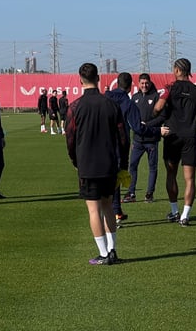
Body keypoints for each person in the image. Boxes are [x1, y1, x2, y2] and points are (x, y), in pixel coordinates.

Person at [65, 63, 129, 265]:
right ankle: (112, 250)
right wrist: (123, 163)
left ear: (80, 80)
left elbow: (70, 139)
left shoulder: (75, 107)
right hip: (109, 163)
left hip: (87, 164)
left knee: (94, 210)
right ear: (98, 78)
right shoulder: (111, 105)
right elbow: (123, 137)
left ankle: (103, 253)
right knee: (108, 206)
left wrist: (75, 160)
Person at [153, 58, 196, 226]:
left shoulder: (170, 88)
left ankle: (174, 211)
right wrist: (195, 126)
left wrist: (155, 117)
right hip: (190, 137)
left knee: (171, 174)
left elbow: (158, 108)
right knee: (190, 179)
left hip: (172, 136)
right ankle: (185, 215)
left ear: (177, 70)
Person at [106, 73, 168, 225]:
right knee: (118, 176)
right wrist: (157, 131)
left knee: (107, 179)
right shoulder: (129, 102)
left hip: (102, 144)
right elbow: (137, 127)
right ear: (131, 86)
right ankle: (115, 212)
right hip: (120, 145)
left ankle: (115, 211)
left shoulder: (105, 97)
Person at [122, 73, 165, 203]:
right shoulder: (134, 97)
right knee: (132, 166)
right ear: (138, 84)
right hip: (137, 140)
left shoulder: (156, 96)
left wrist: (148, 125)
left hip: (151, 139)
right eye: (142, 83)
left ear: (150, 83)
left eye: (146, 83)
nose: (144, 85)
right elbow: (130, 117)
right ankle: (131, 193)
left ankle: (149, 194)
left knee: (152, 167)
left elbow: (162, 117)